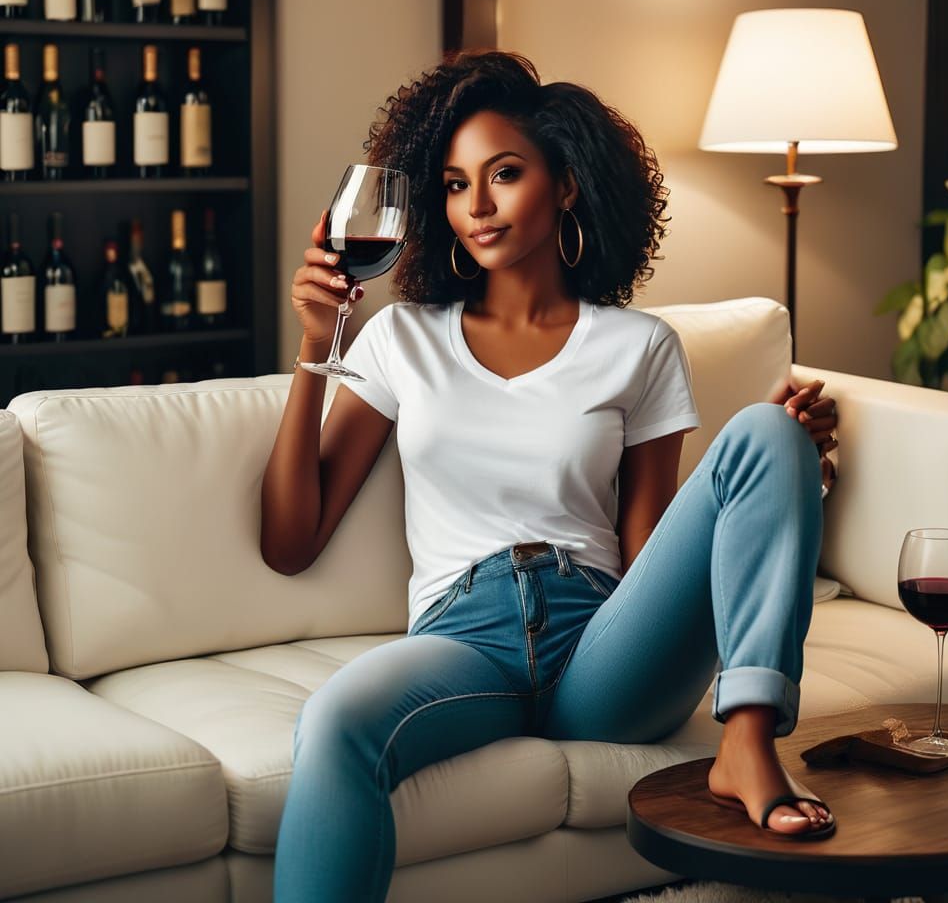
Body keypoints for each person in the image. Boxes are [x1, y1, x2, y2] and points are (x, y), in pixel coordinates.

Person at [261, 49, 841, 902]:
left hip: (604, 645)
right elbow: (289, 542)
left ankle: (747, 742)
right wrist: (319, 342)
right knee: (336, 721)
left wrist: (776, 466)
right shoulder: (400, 339)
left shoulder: (638, 346)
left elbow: (648, 552)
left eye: (504, 174)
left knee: (765, 429)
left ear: (565, 184)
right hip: (465, 640)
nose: (478, 206)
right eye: (456, 185)